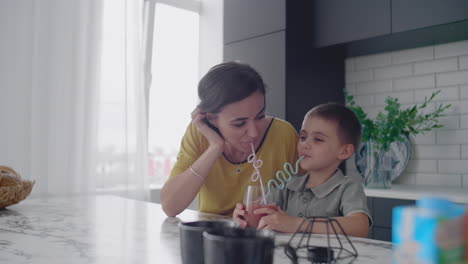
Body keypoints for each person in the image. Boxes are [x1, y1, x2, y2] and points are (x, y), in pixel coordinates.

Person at [161, 61, 299, 217]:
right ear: (212, 119)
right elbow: (170, 206)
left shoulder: (284, 134)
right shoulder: (199, 135)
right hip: (215, 236)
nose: (253, 132)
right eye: (239, 123)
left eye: (260, 116)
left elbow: (308, 200)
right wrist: (215, 147)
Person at [233, 103, 372, 238]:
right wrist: (245, 217)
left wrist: (296, 224)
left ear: (345, 151)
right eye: (303, 137)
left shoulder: (348, 188)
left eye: (318, 139)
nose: (304, 144)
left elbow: (360, 226)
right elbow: (261, 222)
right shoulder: (286, 185)